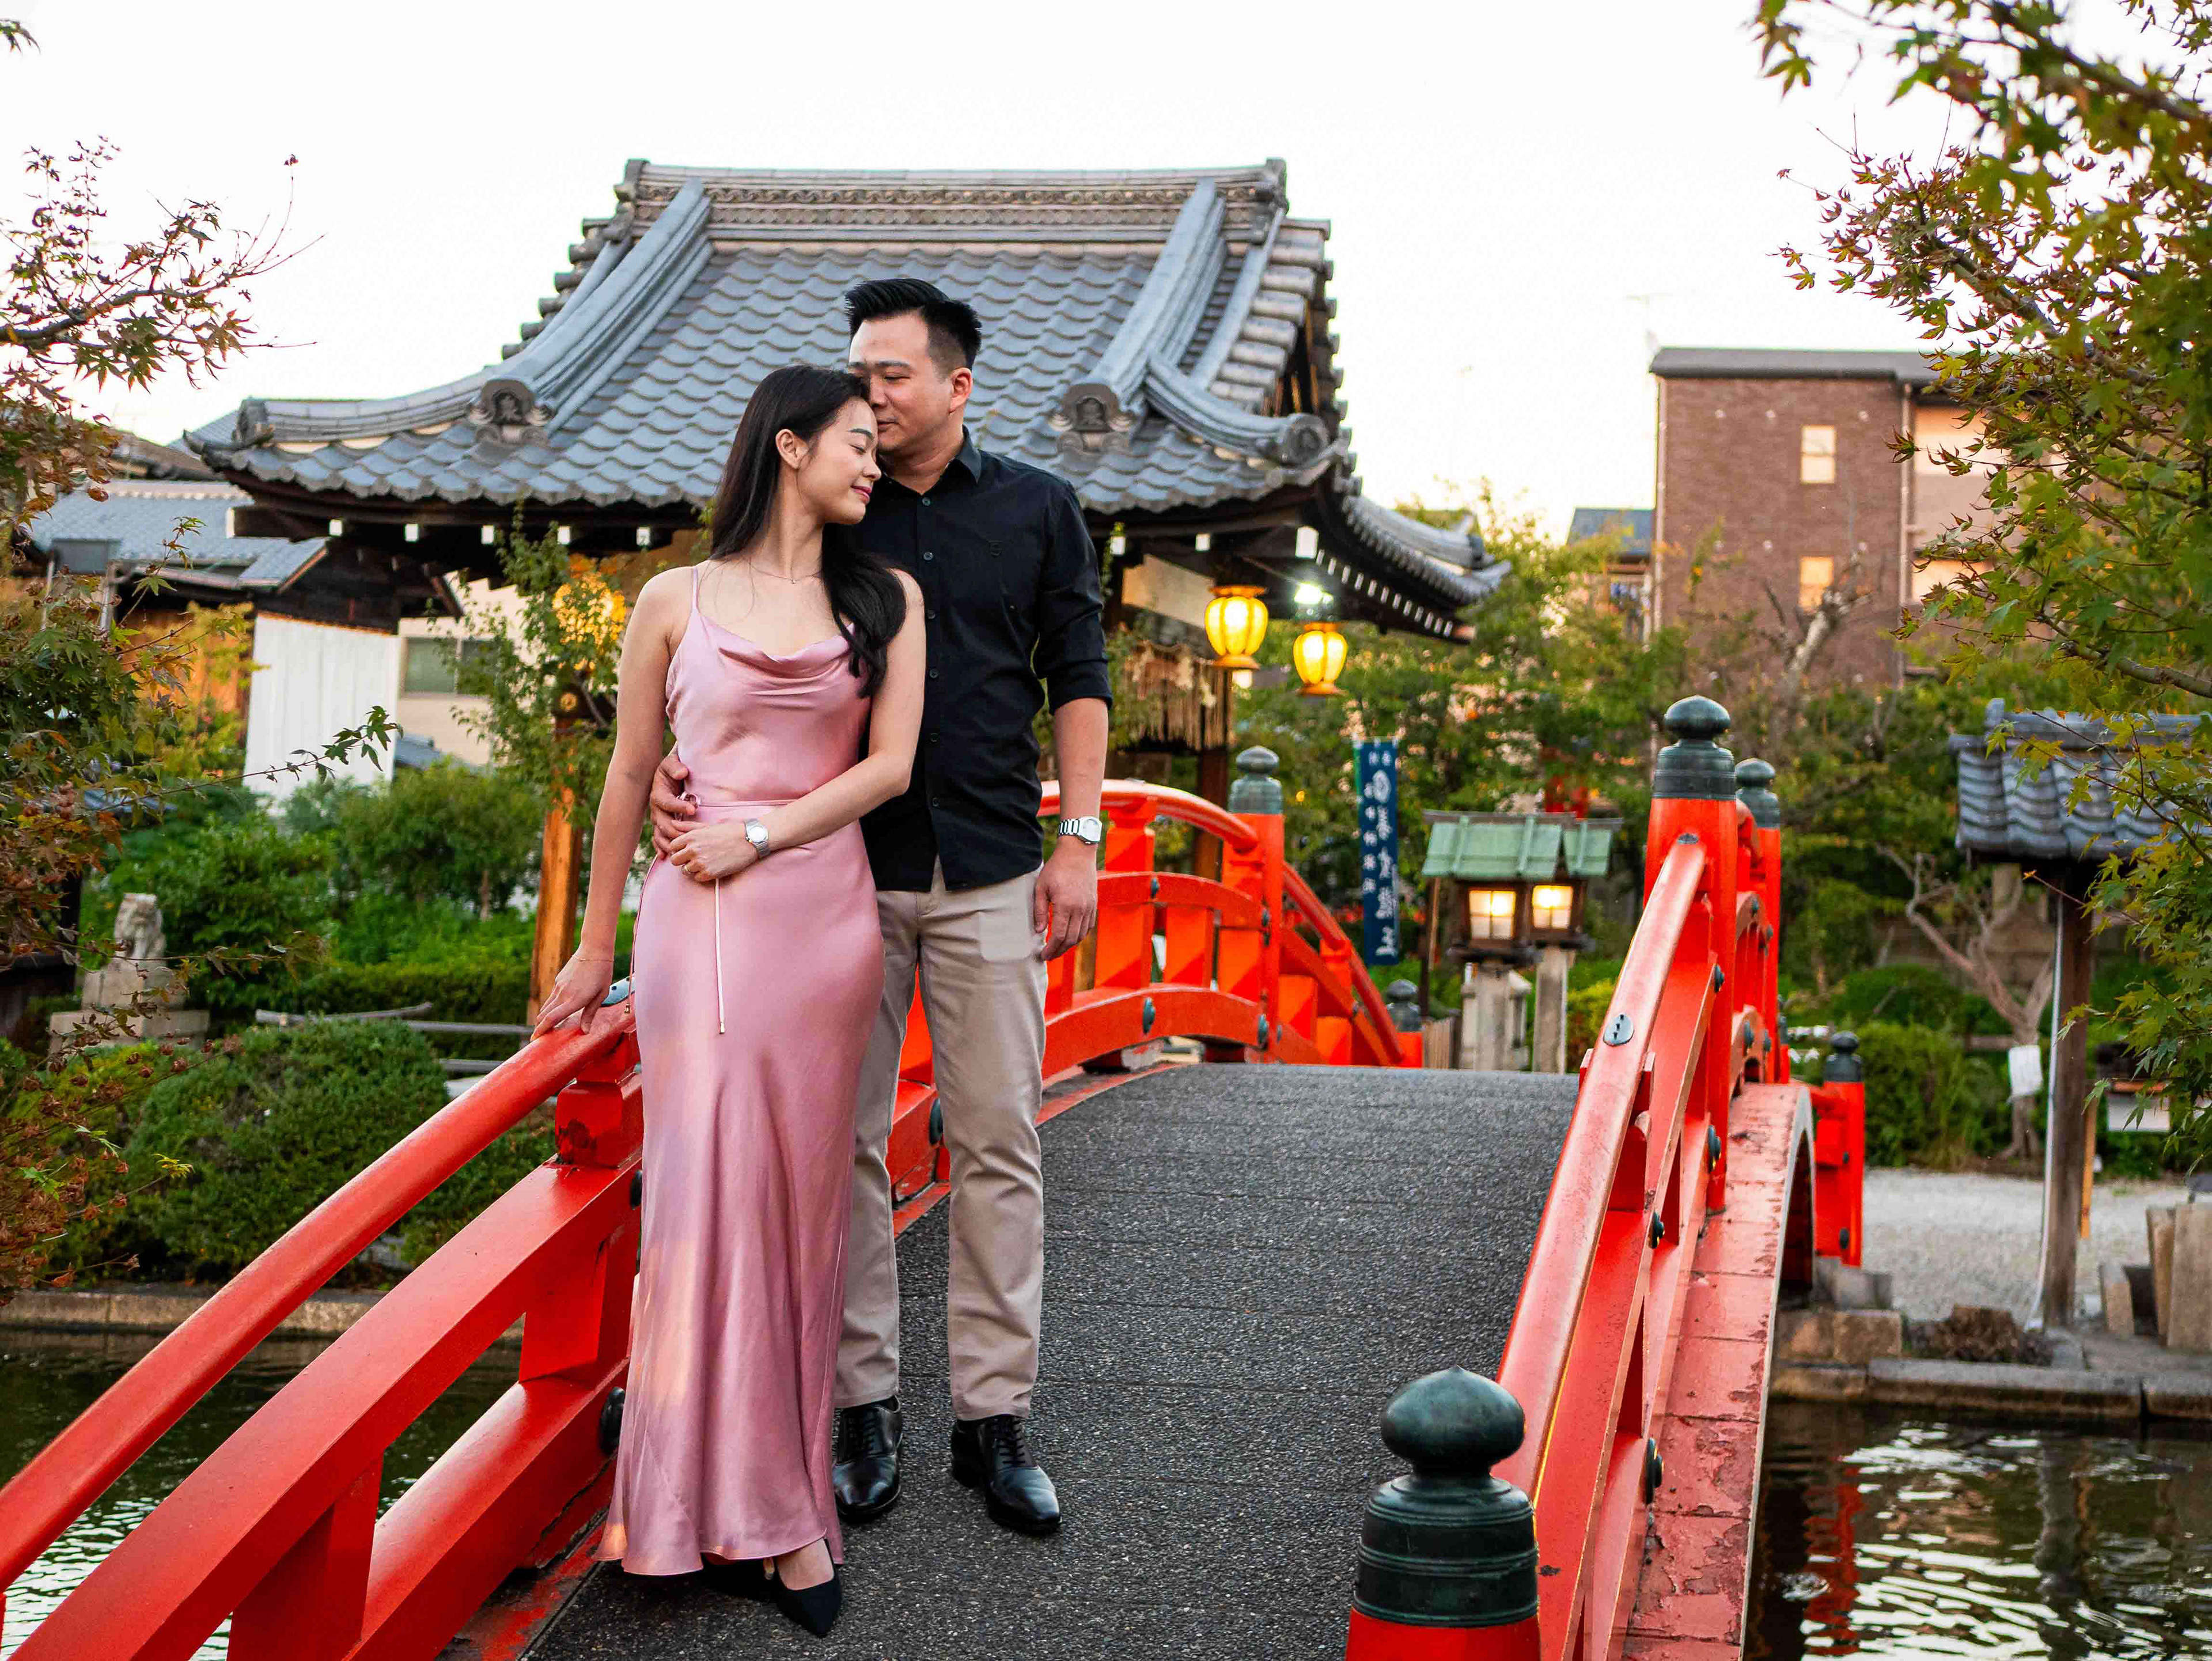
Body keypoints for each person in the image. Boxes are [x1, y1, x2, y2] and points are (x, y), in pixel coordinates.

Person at [651, 278, 1111, 1538]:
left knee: (999, 1136)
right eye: (859, 372)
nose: (872, 393)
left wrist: (1081, 838)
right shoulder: (832, 513)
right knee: (844, 1143)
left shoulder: (1037, 509)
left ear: (957, 385)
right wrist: (695, 769)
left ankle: (993, 1416)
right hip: (832, 876)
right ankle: (860, 1405)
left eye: (894, 374)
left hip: (991, 865)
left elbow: (1079, 676)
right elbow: (748, 643)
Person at [533, 364, 926, 1638]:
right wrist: (595, 949)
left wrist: (757, 830)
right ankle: (682, 1509)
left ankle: (782, 1509)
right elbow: (628, 776)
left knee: (800, 1213)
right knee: (704, 1204)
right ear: (790, 445)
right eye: (859, 444)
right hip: (697, 929)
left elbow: (890, 767)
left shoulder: (887, 600)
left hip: (819, 922)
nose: (876, 463)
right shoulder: (673, 597)